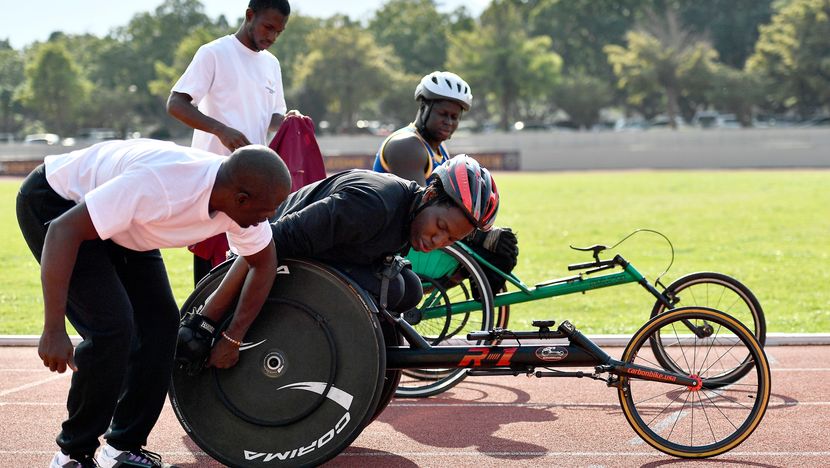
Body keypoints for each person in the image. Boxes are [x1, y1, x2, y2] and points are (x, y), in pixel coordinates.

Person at [16, 139, 291, 468]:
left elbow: (263, 263)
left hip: (127, 223)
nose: (268, 219)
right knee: (112, 327)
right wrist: (53, 329)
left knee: (161, 324)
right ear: (240, 198)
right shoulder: (162, 185)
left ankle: (121, 449)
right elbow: (63, 231)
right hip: (58, 205)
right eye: (264, 213)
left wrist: (233, 337)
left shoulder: (242, 205)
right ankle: (72, 456)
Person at [176, 155, 499, 370]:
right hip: (273, 255)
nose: (438, 242)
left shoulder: (410, 216)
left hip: (319, 257)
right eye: (441, 228)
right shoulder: (370, 205)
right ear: (429, 196)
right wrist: (219, 331)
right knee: (393, 287)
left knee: (407, 289)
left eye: (450, 240)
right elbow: (264, 245)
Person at [166, 0, 292, 284]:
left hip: (254, 181)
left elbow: (275, 117)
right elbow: (176, 103)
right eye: (268, 27)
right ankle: (200, 322)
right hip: (212, 177)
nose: (272, 37)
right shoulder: (214, 53)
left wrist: (290, 122)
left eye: (278, 32)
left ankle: (237, 327)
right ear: (250, 15)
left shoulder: (272, 64)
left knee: (248, 263)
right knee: (209, 267)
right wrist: (221, 130)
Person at [373, 71, 518, 292]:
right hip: (396, 241)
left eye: (455, 117)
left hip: (416, 238)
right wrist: (480, 236)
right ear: (424, 107)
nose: (449, 122)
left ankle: (485, 296)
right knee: (491, 247)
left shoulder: (438, 149)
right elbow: (416, 205)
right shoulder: (407, 146)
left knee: (501, 245)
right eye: (443, 114)